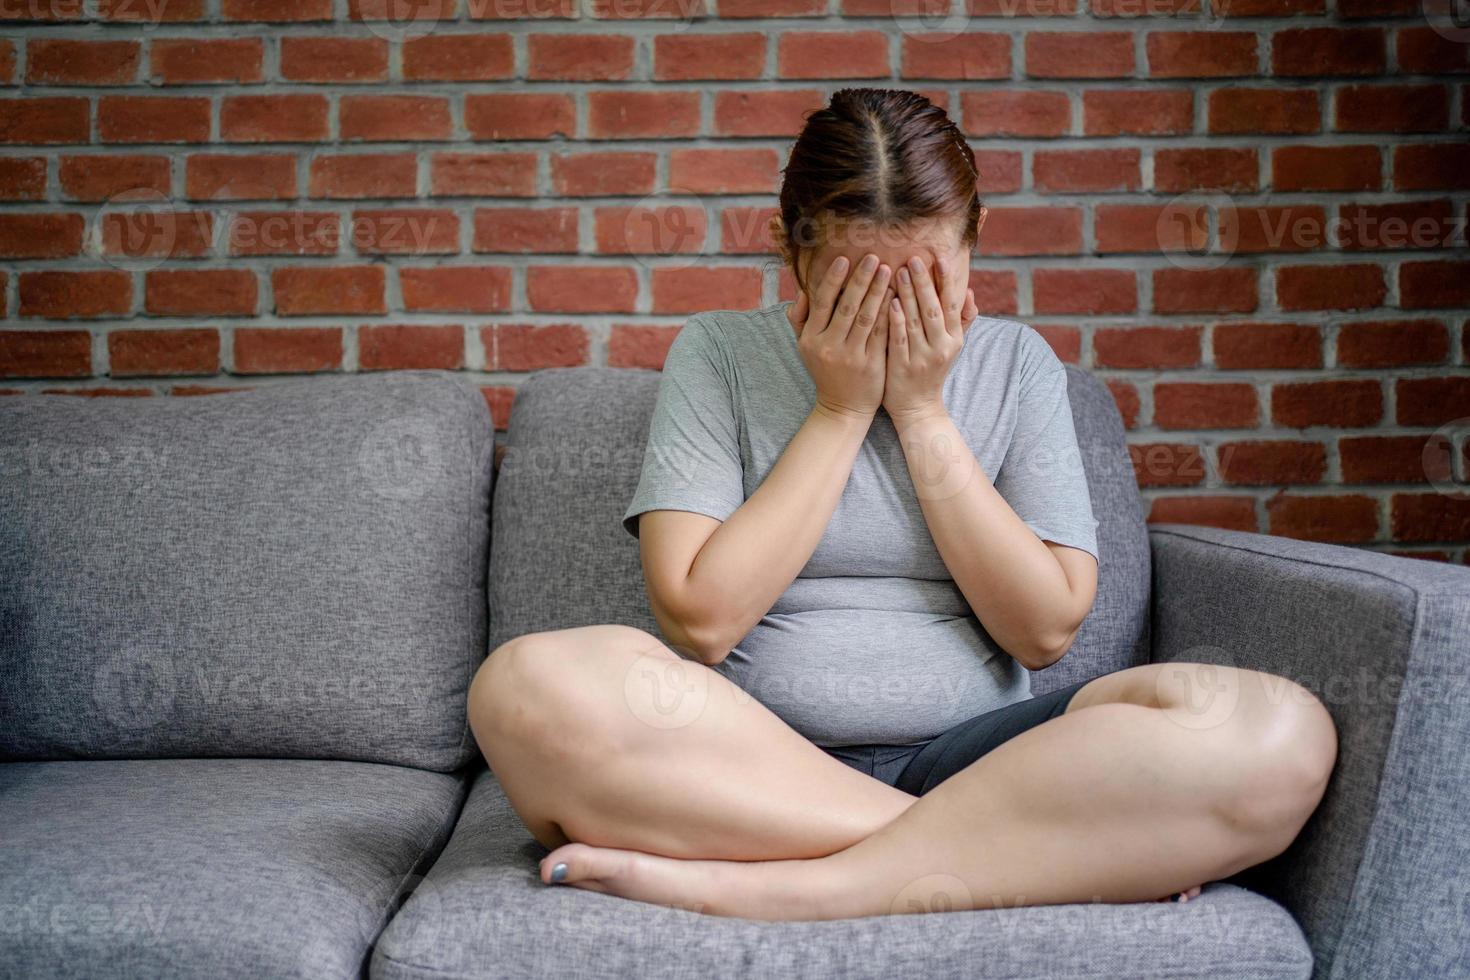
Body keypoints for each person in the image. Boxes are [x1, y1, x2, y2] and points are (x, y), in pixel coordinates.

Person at [466, 87, 1337, 921]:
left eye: (922, 282)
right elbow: (701, 620)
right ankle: (1027, 855)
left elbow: (1044, 630)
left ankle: (779, 890)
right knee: (526, 687)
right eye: (852, 288)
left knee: (1278, 733)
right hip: (746, 767)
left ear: (975, 239)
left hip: (991, 762)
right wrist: (840, 409)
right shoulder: (721, 354)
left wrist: (922, 412)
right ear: (787, 248)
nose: (889, 316)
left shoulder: (1017, 364)